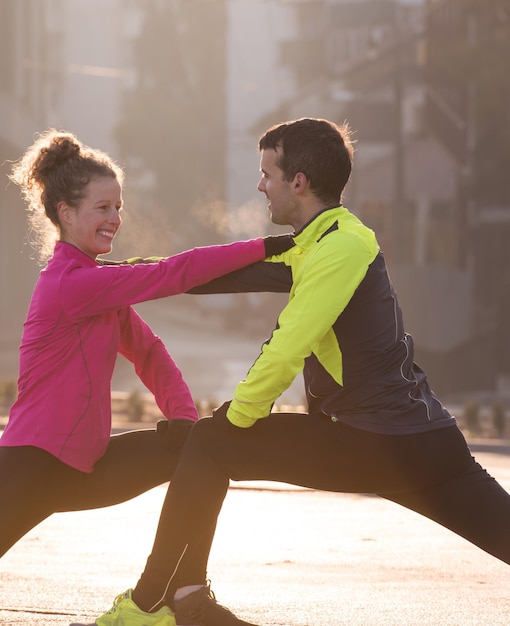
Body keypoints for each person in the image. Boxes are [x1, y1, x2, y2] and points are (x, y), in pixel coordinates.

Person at [93, 117, 510, 626]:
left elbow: (289, 342)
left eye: (267, 173)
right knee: (211, 444)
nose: (260, 185)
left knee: (210, 442)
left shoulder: (342, 248)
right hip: (409, 441)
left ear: (299, 182)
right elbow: (208, 273)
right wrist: (106, 275)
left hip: (383, 441)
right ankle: (184, 601)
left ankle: (153, 604)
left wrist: (238, 416)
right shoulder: (317, 241)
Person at [0, 128, 294, 624]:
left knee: (204, 448)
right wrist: (265, 247)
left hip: (84, 467)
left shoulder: (97, 286)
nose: (115, 218)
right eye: (102, 208)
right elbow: (172, 273)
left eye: (118, 206)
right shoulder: (71, 285)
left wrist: (182, 417)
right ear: (66, 214)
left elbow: (149, 353)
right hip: (30, 468)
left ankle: (186, 596)